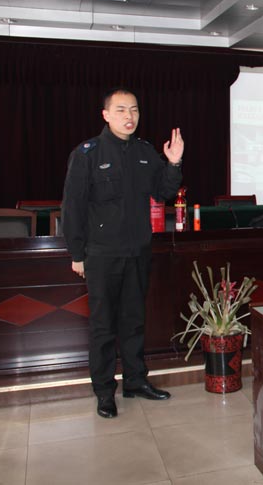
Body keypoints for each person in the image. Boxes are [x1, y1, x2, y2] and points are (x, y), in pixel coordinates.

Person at [62, 87, 184, 418]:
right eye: (120, 110)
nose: (129, 116)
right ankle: (104, 391)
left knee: (134, 322)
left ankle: (135, 381)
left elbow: (164, 192)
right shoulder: (87, 154)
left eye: (134, 110)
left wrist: (173, 162)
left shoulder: (144, 152)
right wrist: (77, 254)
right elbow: (72, 207)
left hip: (137, 252)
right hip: (102, 255)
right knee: (103, 326)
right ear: (106, 115)